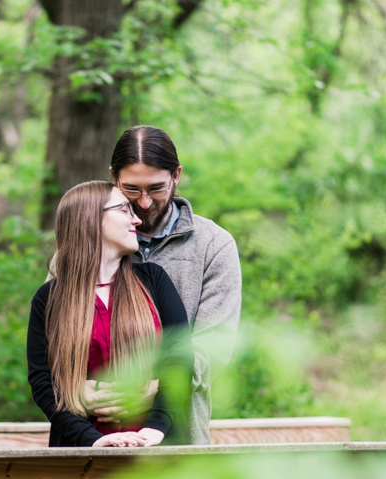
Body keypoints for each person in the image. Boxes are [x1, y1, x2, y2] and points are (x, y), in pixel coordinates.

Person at [27, 180, 194, 452]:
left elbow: (180, 358)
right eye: (124, 209)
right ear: (90, 219)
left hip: (157, 451)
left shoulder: (153, 281)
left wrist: (156, 426)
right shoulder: (49, 299)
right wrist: (91, 439)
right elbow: (44, 383)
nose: (136, 219)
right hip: (81, 454)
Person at [102, 125, 243, 445]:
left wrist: (157, 389)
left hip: (180, 435)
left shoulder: (214, 245)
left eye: (157, 188)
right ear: (113, 177)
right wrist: (77, 388)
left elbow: (214, 346)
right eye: (131, 190)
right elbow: (56, 335)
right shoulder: (83, 245)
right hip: (95, 431)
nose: (145, 202)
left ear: (176, 175)